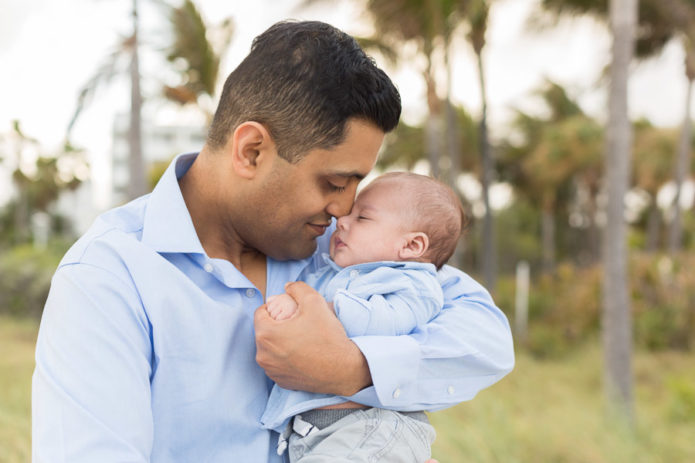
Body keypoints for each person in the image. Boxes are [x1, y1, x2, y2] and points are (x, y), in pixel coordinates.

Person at [32, 20, 514, 463]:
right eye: (335, 182)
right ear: (252, 151)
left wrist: (352, 369)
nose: (345, 209)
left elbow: (484, 338)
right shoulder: (108, 279)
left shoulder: (342, 247)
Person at [262, 171, 466, 462]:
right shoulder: (329, 273)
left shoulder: (414, 283)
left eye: (363, 218)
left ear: (411, 246)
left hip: (370, 426)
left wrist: (324, 310)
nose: (341, 220)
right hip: (316, 432)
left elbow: (390, 321)